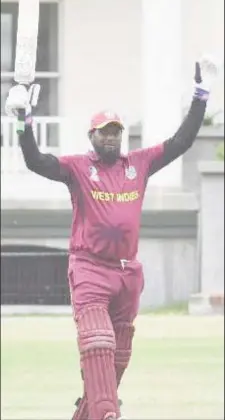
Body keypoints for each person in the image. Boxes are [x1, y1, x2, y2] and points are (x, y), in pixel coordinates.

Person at [5, 56, 218, 420]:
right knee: (97, 343)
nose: (111, 136)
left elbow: (182, 142)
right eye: (104, 131)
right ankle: (107, 414)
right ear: (92, 136)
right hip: (90, 268)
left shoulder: (139, 163)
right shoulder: (78, 168)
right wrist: (24, 123)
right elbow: (36, 162)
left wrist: (201, 95)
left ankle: (90, 413)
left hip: (128, 274)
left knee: (118, 355)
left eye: (116, 130)